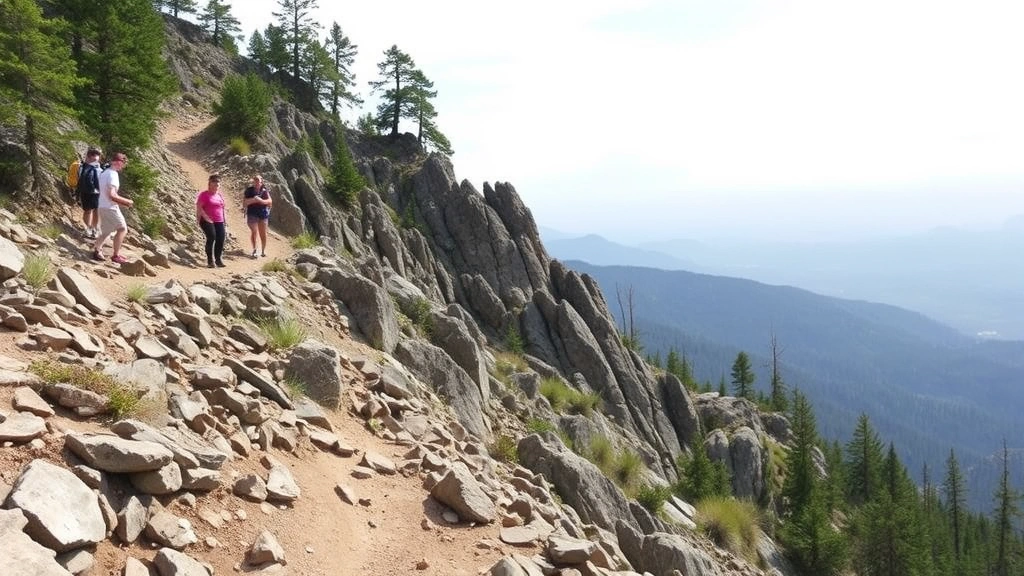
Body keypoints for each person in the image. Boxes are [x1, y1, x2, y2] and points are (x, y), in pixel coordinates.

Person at [91, 152, 133, 263]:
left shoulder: (105, 173)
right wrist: (127, 201)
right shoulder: (113, 175)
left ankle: (97, 249)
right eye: (123, 164)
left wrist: (123, 203)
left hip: (101, 205)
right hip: (109, 207)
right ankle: (116, 255)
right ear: (119, 162)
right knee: (122, 228)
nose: (123, 166)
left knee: (107, 230)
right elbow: (112, 195)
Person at [196, 173, 227, 268]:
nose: (216, 185)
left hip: (219, 220)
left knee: (221, 238)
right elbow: (199, 207)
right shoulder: (204, 195)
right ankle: (210, 261)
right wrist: (204, 218)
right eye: (214, 183)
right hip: (206, 220)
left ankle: (218, 259)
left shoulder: (220, 196)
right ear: (209, 184)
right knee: (212, 237)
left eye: (218, 184)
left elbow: (223, 208)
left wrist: (225, 219)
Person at [243, 174, 272, 258]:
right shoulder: (249, 191)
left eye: (258, 181)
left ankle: (263, 251)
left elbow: (270, 201)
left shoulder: (264, 191)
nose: (256, 182)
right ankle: (255, 250)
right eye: (254, 180)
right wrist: (254, 200)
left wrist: (261, 201)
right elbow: (244, 203)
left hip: (263, 214)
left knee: (263, 233)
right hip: (252, 214)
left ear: (261, 182)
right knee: (254, 231)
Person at [78, 148, 102, 239]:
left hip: (96, 191)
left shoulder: (98, 167)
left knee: (96, 210)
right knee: (89, 210)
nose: (95, 157)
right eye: (93, 155)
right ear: (88, 156)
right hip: (87, 191)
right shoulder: (84, 166)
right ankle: (89, 227)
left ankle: (93, 228)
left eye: (97, 155)